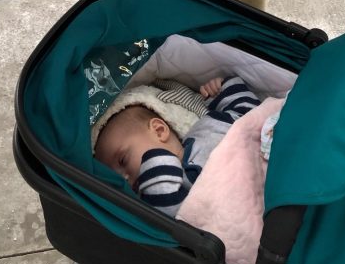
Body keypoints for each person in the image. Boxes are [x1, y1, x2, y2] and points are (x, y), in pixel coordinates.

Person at [94, 76, 261, 216]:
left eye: (122, 160)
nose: (123, 178)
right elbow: (176, 216)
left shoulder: (208, 127)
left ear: (159, 131)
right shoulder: (165, 196)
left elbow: (250, 113)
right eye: (114, 176)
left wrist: (222, 86)